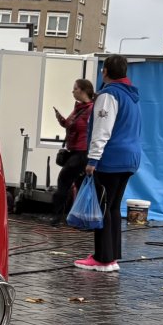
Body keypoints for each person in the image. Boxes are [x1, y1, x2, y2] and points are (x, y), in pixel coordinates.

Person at [76, 54, 142, 273]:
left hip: (111, 159)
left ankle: (102, 258)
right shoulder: (132, 96)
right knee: (113, 207)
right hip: (130, 158)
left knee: (102, 206)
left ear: (104, 72)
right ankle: (112, 256)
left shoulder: (108, 95)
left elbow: (102, 130)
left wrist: (93, 159)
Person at [50, 79, 95, 224]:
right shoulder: (79, 108)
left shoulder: (91, 109)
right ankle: (75, 216)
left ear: (82, 90)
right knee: (78, 182)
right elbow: (70, 124)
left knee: (64, 179)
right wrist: (61, 120)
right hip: (74, 150)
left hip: (82, 151)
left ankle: (57, 217)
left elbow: (85, 128)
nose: (73, 91)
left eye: (75, 89)